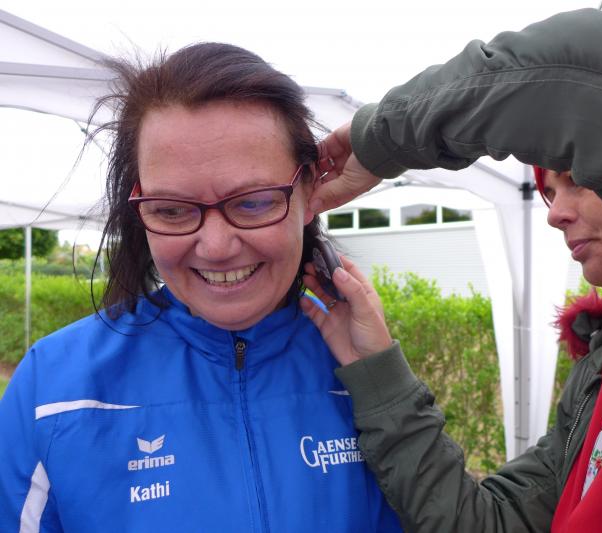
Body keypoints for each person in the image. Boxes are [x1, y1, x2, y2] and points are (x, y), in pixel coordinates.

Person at [299, 7, 602, 533]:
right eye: (548, 192)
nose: (555, 214)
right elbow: (490, 523)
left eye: (576, 179)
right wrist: (378, 370)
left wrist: (386, 139)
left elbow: (584, 78)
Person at [0, 43, 401, 532]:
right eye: (172, 209)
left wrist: (384, 386)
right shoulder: (55, 389)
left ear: (310, 190)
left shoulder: (369, 372)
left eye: (253, 202)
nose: (215, 247)